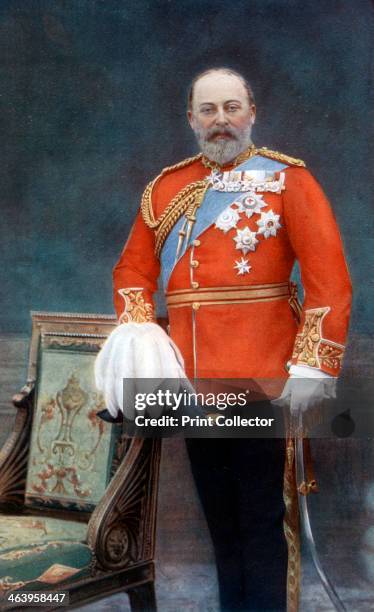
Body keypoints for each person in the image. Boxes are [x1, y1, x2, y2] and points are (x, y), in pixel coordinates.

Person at [95, 68, 352, 611]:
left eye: (231, 108)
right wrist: (140, 334)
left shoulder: (288, 180)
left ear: (252, 112)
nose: (221, 121)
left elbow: (329, 279)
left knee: (261, 525)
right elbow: (131, 273)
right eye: (208, 110)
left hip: (267, 381)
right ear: (191, 119)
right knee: (221, 524)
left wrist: (314, 365)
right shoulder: (165, 188)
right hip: (193, 388)